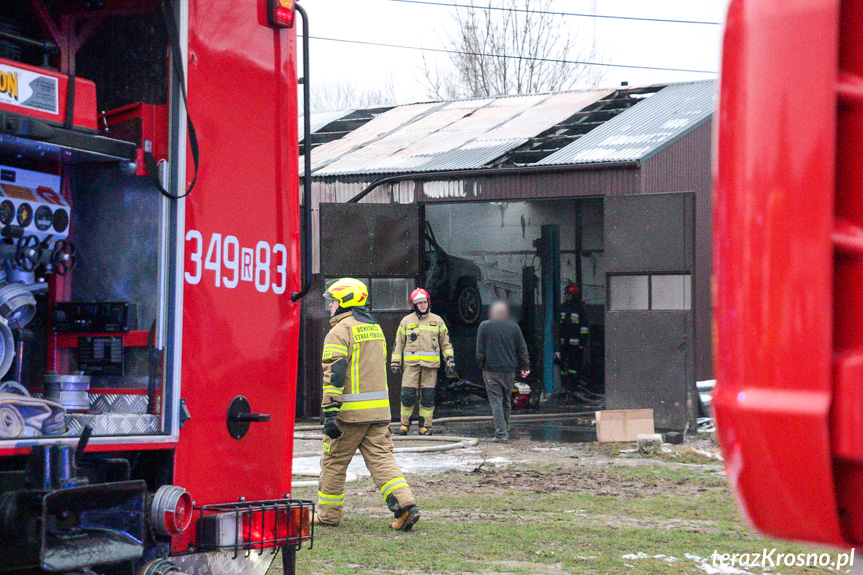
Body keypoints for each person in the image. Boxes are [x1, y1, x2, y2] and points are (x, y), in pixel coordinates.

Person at [316, 278, 421, 531]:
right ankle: (406, 507)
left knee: (334, 462)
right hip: (378, 412)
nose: (331, 307)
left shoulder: (339, 332)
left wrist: (330, 411)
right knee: (382, 460)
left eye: (334, 302)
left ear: (345, 303)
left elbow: (335, 374)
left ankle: (328, 516)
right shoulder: (374, 329)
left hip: (349, 416)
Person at [390, 288, 455, 435]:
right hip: (411, 366)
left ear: (428, 302)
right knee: (407, 395)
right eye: (419, 303)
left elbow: (446, 343)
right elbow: (398, 343)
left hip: (430, 367)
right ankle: (404, 425)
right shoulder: (406, 321)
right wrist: (395, 361)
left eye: (425, 302)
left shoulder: (437, 321)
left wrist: (449, 359)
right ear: (414, 305)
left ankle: (425, 427)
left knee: (427, 396)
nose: (423, 305)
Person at [475, 300, 530, 442]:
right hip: (509, 371)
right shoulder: (514, 327)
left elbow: (480, 351)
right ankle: (504, 429)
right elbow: (522, 348)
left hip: (491, 371)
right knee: (506, 401)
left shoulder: (484, 326)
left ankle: (501, 434)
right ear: (505, 314)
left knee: (496, 402)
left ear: (492, 313)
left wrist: (482, 365)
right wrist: (525, 367)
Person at [559, 283, 590, 393]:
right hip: (563, 344)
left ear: (574, 295)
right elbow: (557, 327)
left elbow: (584, 328)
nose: (566, 296)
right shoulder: (561, 308)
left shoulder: (580, 309)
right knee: (562, 366)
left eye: (569, 294)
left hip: (576, 346)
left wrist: (582, 344)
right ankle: (564, 385)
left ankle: (573, 386)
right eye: (565, 294)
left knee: (574, 366)